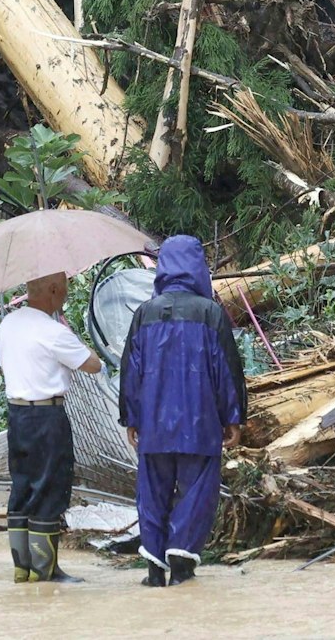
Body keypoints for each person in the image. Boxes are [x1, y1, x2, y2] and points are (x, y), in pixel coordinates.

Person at [118, 235, 246, 587]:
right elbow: (227, 371)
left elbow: (131, 370)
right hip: (200, 423)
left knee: (152, 494)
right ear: (197, 267)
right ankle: (182, 557)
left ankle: (155, 570)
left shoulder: (144, 314)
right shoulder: (211, 313)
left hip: (154, 426)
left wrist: (130, 417)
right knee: (198, 492)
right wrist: (233, 417)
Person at [0, 270, 103, 583]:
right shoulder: (53, 331)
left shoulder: (8, 324)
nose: (66, 296)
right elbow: (92, 364)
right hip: (47, 417)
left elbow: (5, 363)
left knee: (23, 485)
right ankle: (46, 571)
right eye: (65, 289)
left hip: (16, 415)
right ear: (54, 290)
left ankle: (22, 568)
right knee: (50, 486)